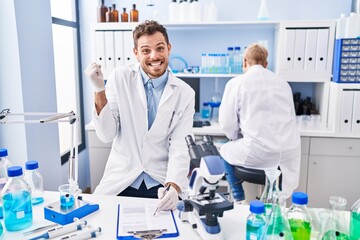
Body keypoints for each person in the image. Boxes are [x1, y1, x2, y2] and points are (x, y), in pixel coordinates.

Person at [84, 20, 195, 211]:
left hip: (161, 183)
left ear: (168, 48)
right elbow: (106, 135)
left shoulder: (185, 93)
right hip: (122, 180)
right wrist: (98, 90)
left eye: (160, 48)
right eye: (146, 50)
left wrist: (174, 185)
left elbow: (179, 145)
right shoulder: (120, 78)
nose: (154, 56)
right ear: (136, 53)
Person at [218, 43, 301, 203]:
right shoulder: (283, 83)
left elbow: (227, 123)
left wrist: (234, 137)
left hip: (259, 153)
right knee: (277, 197)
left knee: (224, 150)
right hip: (289, 151)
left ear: (244, 62)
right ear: (266, 64)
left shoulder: (237, 82)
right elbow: (292, 116)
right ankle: (275, 201)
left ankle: (238, 197)